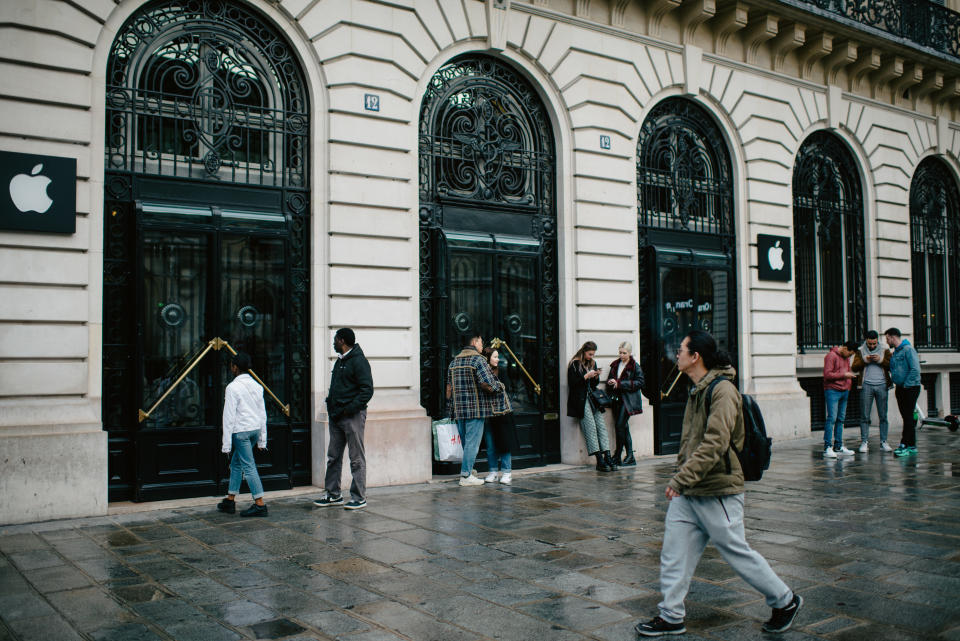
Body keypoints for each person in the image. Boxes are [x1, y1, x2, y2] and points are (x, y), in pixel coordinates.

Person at [635, 330, 802, 637]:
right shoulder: (697, 388)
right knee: (674, 553)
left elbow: (715, 443)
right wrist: (683, 479)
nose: (676, 354)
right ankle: (671, 615)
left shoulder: (722, 390)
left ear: (695, 356)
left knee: (736, 551)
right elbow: (691, 443)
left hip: (718, 490)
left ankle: (785, 600)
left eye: (681, 350)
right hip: (690, 491)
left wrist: (680, 478)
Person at [314, 328, 373, 510]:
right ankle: (333, 494)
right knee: (333, 456)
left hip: (352, 416)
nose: (333, 343)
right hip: (337, 417)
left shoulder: (359, 361)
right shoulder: (340, 362)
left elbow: (367, 390)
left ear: (342, 341)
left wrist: (349, 409)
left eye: (335, 340)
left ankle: (358, 497)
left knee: (356, 458)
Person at [446, 335, 504, 487]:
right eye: (481, 342)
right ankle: (465, 476)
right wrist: (500, 387)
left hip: (459, 410)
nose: (482, 345)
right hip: (475, 409)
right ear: (474, 342)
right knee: (472, 444)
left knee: (467, 443)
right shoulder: (478, 360)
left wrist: (450, 410)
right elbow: (488, 382)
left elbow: (449, 390)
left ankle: (469, 470)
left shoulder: (454, 362)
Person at [217, 352, 269, 517]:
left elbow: (228, 416)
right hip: (254, 430)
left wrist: (226, 445)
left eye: (232, 365)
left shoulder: (232, 387)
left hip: (241, 433)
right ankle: (230, 500)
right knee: (237, 464)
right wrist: (262, 440)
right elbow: (263, 414)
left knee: (248, 466)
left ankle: (260, 504)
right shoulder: (257, 386)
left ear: (235, 367)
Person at [567, 341, 617, 472]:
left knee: (601, 426)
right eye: (590, 354)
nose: (591, 356)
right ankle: (599, 460)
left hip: (593, 399)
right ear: (584, 351)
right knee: (590, 428)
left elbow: (594, 384)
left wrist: (595, 376)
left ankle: (607, 456)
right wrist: (585, 376)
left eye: (593, 354)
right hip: (581, 400)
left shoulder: (592, 363)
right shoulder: (574, 364)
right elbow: (572, 384)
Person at [851, 330, 892, 453]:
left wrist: (880, 360)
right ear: (866, 341)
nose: (872, 346)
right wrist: (865, 360)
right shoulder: (860, 350)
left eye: (874, 343)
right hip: (866, 385)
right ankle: (864, 442)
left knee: (883, 415)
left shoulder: (885, 349)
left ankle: (884, 442)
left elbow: (891, 365)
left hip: (882, 385)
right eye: (870, 344)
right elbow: (854, 367)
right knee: (864, 415)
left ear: (877, 341)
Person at [605, 341, 645, 466]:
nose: (621, 355)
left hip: (628, 401)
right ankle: (630, 456)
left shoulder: (634, 366)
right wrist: (611, 382)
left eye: (624, 353)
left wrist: (621, 384)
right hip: (617, 399)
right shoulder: (616, 365)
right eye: (620, 352)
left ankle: (617, 455)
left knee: (619, 426)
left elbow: (640, 382)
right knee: (623, 427)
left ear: (630, 353)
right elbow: (610, 380)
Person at [482, 347, 517, 485]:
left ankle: (507, 472)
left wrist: (490, 386)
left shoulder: (501, 370)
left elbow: (504, 386)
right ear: (487, 358)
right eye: (495, 357)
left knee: (504, 443)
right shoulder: (481, 372)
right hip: (487, 413)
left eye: (498, 356)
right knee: (490, 445)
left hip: (502, 413)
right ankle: (493, 471)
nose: (498, 359)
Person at [884, 328, 922, 457]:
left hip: (910, 388)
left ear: (893, 337)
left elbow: (915, 369)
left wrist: (906, 385)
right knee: (908, 417)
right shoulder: (896, 352)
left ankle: (904, 445)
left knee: (907, 417)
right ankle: (911, 445)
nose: (886, 341)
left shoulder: (908, 350)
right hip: (901, 387)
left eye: (887, 338)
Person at [821, 341, 859, 458]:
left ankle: (838, 446)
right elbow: (827, 375)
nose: (850, 356)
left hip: (844, 390)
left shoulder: (846, 357)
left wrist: (848, 384)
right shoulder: (831, 356)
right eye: (850, 354)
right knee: (831, 418)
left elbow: (846, 371)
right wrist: (844, 376)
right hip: (832, 390)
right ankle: (827, 446)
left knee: (840, 419)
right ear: (846, 348)